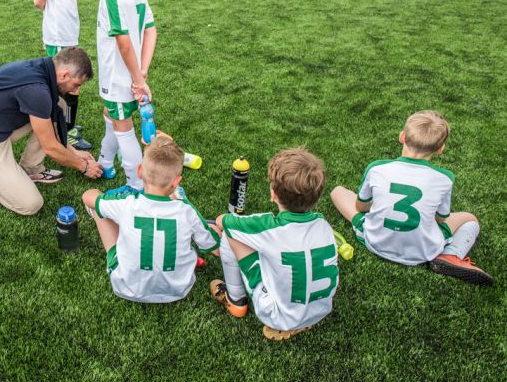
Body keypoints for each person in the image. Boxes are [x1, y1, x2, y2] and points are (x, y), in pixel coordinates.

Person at [331, 111, 492, 286]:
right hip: (424, 250)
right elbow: (440, 219)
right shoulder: (445, 178)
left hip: (376, 242)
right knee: (470, 219)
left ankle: (447, 253)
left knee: (338, 192)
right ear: (440, 149)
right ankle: (451, 254)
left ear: (402, 137)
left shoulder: (377, 168)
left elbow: (361, 207)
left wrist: (380, 204)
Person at [0, 47, 103, 216]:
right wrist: (83, 166)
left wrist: (74, 152)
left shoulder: (42, 68)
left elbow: (50, 124)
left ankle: (31, 168)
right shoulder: (37, 90)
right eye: (76, 85)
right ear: (64, 75)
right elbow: (50, 147)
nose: (76, 91)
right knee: (31, 204)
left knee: (58, 105)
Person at [211, 148, 338, 341]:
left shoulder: (267, 225)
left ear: (273, 194)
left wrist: (221, 224)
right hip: (321, 310)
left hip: (278, 315)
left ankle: (235, 299)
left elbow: (223, 221)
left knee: (231, 235)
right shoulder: (324, 226)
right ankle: (305, 318)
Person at [81, 136, 220, 303]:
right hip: (178, 289)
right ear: (177, 181)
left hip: (127, 287)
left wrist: (108, 199)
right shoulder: (186, 210)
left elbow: (87, 196)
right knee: (209, 228)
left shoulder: (127, 203)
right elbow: (214, 246)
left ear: (139, 171)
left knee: (99, 209)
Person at [88, 0, 157, 195]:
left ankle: (136, 185)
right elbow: (151, 30)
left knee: (123, 127)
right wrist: (142, 72)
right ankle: (106, 162)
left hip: (118, 78)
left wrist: (137, 81)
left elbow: (124, 42)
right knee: (111, 115)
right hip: (131, 74)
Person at [33, 0, 91, 150]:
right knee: (63, 85)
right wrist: (55, 24)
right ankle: (62, 134)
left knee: (73, 84)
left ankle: (68, 128)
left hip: (68, 34)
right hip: (59, 35)